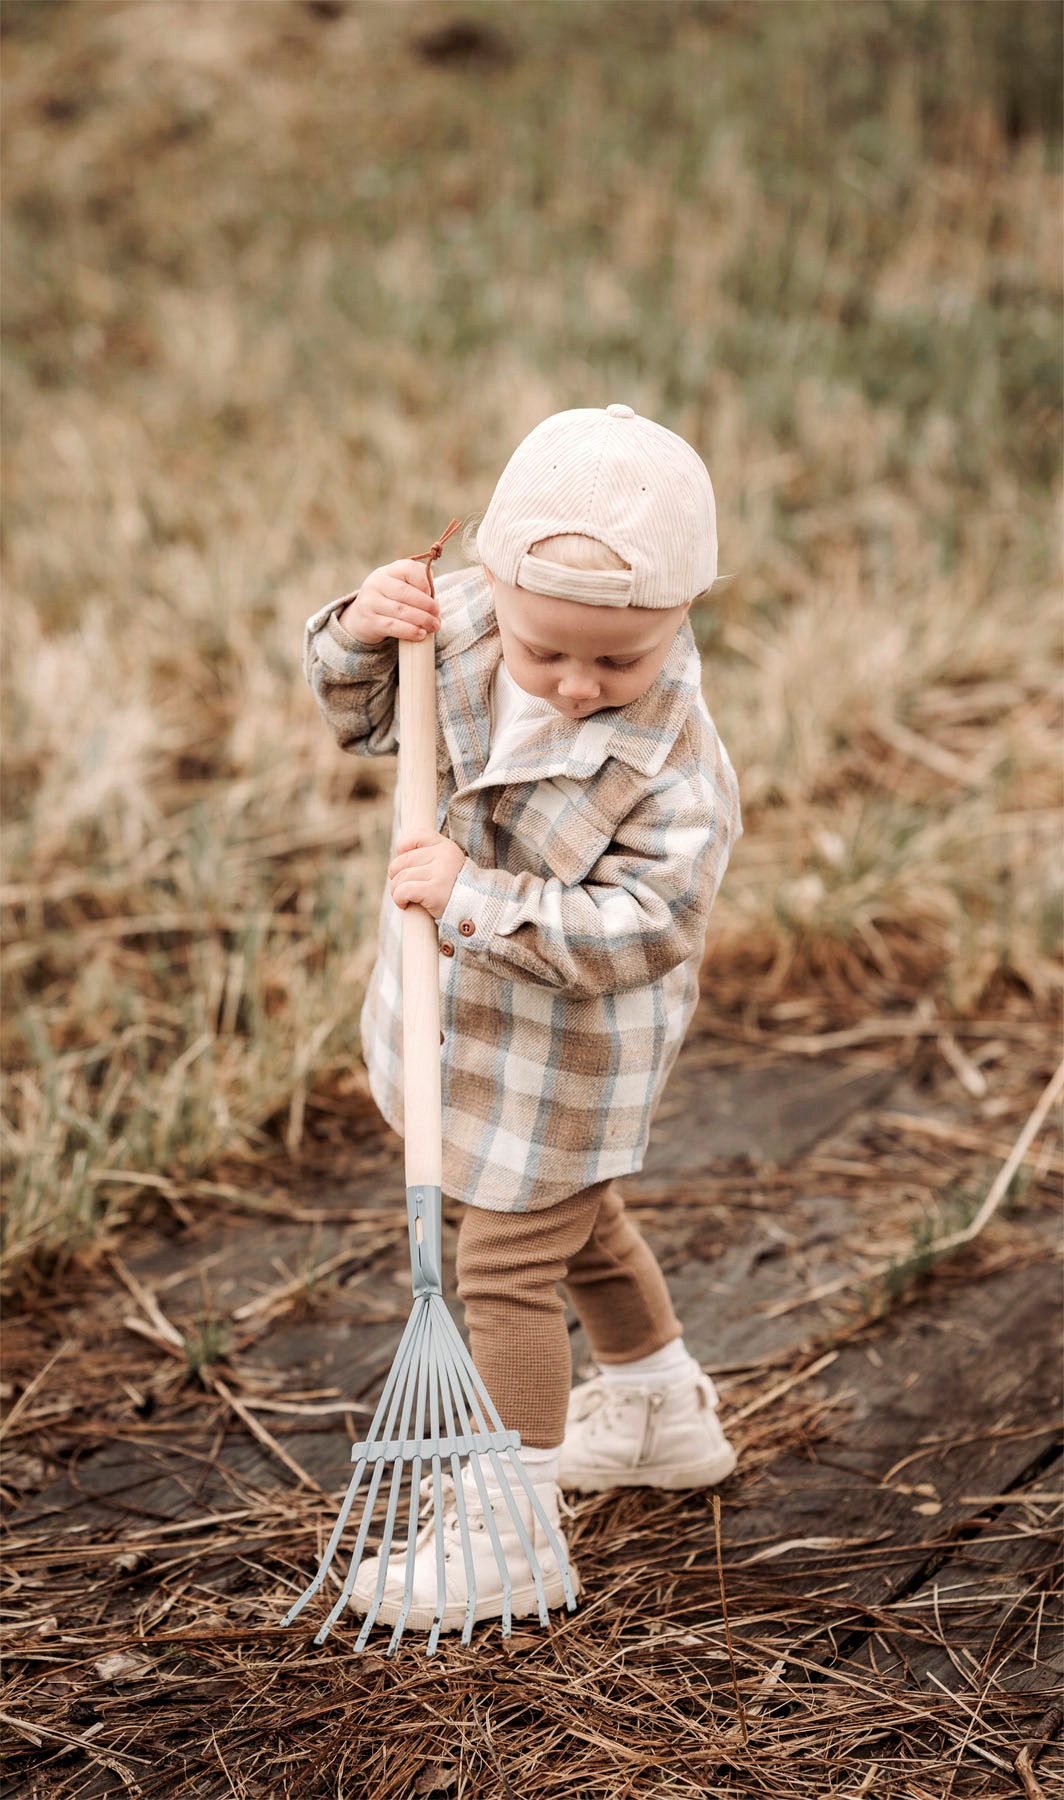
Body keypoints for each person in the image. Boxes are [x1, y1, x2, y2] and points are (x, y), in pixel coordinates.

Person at [302, 404, 743, 1631]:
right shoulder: (462, 636)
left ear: (682, 617)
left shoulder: (673, 768)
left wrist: (478, 901)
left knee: (498, 1265)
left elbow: (645, 926)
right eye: (548, 649)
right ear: (490, 583)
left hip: (564, 1060)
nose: (576, 682)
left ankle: (510, 1526)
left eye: (621, 659)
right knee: (583, 1225)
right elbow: (358, 717)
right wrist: (358, 630)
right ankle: (657, 1413)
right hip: (448, 1034)